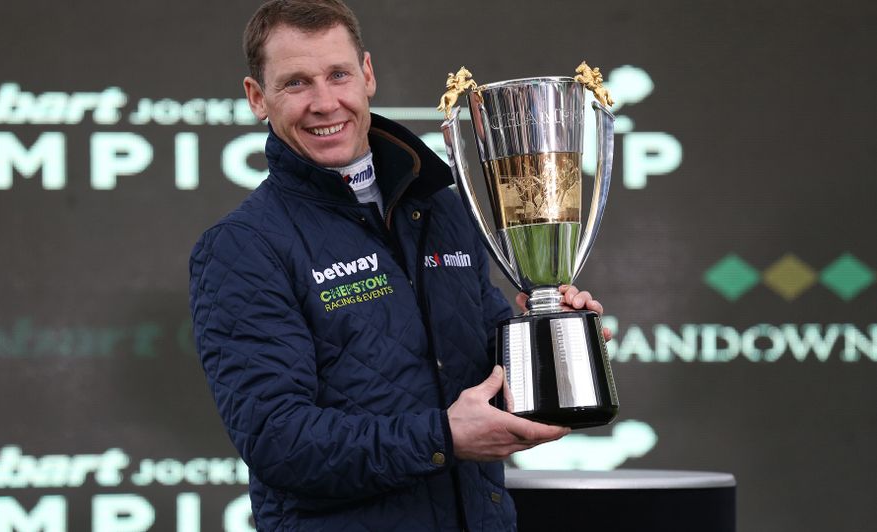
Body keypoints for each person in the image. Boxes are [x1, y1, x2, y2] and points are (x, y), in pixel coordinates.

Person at [188, 1, 609, 530]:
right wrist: (443, 437)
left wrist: (548, 335)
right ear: (257, 99)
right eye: (296, 83)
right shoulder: (242, 246)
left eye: (338, 74)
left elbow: (483, 378)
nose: (325, 102)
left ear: (367, 74)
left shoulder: (442, 208)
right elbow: (279, 440)